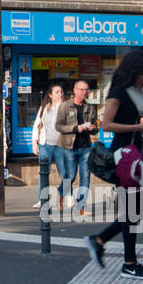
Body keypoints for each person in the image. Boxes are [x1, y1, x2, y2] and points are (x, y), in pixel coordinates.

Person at [83, 50, 143, 280]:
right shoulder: (117, 91)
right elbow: (106, 124)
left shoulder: (133, 91)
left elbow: (140, 116)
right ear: (133, 71)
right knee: (135, 209)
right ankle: (127, 262)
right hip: (123, 157)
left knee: (134, 210)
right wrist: (140, 128)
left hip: (134, 154)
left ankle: (102, 243)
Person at [55, 80, 96, 215]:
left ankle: (81, 207)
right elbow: (58, 126)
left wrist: (93, 128)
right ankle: (60, 194)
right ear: (75, 90)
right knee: (70, 176)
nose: (85, 92)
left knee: (85, 177)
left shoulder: (90, 107)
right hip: (68, 146)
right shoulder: (65, 106)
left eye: (87, 90)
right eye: (82, 89)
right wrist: (74, 128)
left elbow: (95, 128)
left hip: (85, 147)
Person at [32, 84, 67, 213]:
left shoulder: (65, 107)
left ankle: (65, 197)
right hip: (45, 144)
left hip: (61, 145)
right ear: (50, 95)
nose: (60, 94)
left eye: (61, 92)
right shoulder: (44, 108)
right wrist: (34, 143)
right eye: (57, 92)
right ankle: (43, 200)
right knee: (43, 172)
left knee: (65, 173)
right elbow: (37, 125)